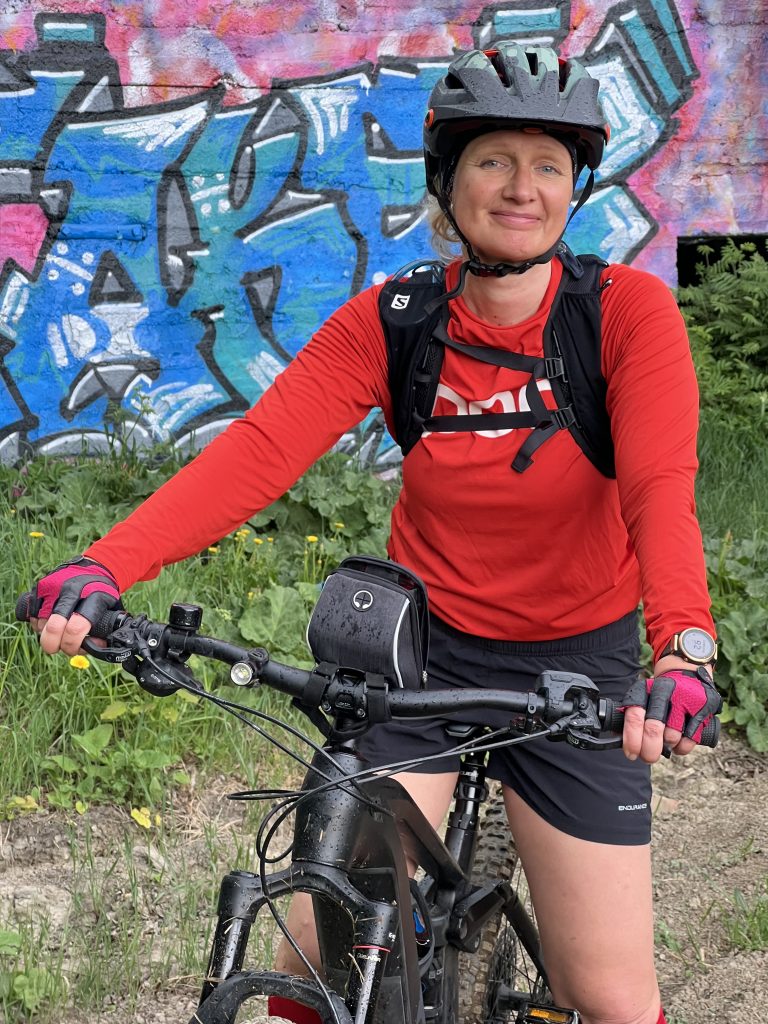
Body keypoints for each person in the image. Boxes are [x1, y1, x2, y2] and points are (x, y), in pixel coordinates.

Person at [22, 42, 721, 1024]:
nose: (520, 188)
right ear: (447, 179)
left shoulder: (624, 315)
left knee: (606, 995)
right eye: (493, 160)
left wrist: (682, 644)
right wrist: (106, 563)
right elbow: (258, 452)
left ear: (577, 187)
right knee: (316, 960)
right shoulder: (398, 322)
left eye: (548, 165)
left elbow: (657, 486)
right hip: (419, 659)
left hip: (580, 667)